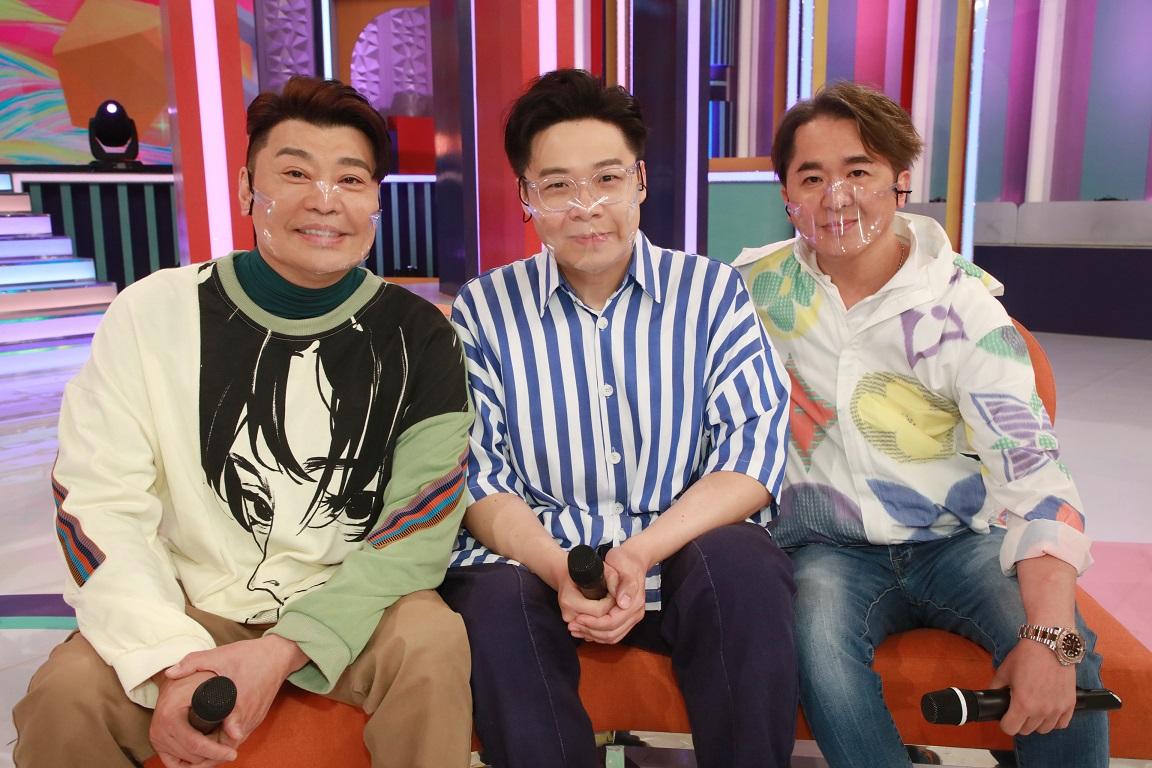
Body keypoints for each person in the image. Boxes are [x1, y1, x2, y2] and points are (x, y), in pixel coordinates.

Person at [13, 76, 473, 768]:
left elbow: (420, 524)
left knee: (432, 645)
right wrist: (171, 659)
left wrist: (284, 649)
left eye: (351, 179)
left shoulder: (421, 336)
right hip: (188, 600)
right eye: (295, 173)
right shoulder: (152, 313)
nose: (325, 199)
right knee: (64, 695)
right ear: (245, 189)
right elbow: (98, 502)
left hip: (351, 604)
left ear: (376, 200)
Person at [732, 81, 1108, 768]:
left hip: (961, 540)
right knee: (818, 645)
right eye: (812, 178)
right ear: (785, 193)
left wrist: (1053, 635)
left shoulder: (964, 308)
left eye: (859, 172)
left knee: (1068, 655)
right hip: (826, 547)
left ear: (900, 178)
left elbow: (1033, 474)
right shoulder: (755, 292)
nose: (836, 197)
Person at [438, 68, 797, 768]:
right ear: (526, 197)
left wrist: (639, 553)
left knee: (745, 565)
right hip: (539, 565)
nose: (586, 207)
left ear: (640, 181)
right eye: (558, 186)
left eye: (606, 179)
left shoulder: (711, 292)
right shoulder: (484, 308)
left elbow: (752, 451)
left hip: (677, 553)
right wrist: (558, 569)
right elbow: (480, 476)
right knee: (493, 597)